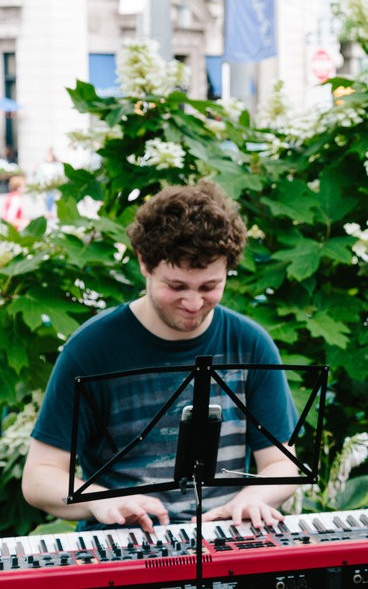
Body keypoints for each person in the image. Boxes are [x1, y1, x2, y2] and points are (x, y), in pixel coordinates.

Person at [22, 180, 300, 532]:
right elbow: (39, 477)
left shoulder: (251, 343)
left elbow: (281, 463)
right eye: (177, 286)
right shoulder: (91, 349)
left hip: (225, 537)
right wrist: (105, 500)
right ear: (144, 263)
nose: (194, 303)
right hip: (125, 544)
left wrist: (254, 497)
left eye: (210, 286)